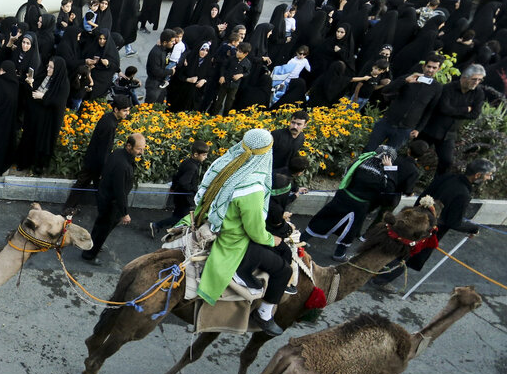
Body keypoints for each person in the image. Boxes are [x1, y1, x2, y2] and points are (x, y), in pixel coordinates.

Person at [191, 129, 292, 336]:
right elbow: (255, 232)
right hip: (233, 241)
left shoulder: (225, 161)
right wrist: (271, 239)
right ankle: (264, 313)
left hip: (207, 218)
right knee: (284, 270)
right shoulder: (253, 187)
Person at [373, 158, 495, 289]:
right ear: (477, 175)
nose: (489, 178)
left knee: (398, 246)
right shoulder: (463, 194)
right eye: (488, 175)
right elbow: (454, 222)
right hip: (427, 230)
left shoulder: (448, 177)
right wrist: (473, 228)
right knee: (408, 255)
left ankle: (374, 267)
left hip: (415, 217)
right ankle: (381, 279)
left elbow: (425, 193)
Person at [302, 146, 398, 261]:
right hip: (359, 206)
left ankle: (301, 240)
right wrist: (390, 169)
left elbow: (347, 172)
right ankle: (339, 254)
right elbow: (389, 191)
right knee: (350, 230)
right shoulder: (382, 174)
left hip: (343, 196)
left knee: (323, 219)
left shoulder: (362, 161)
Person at [81, 133, 146, 265]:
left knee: (100, 226)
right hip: (111, 204)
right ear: (129, 146)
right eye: (139, 149)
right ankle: (89, 254)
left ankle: (91, 246)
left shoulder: (117, 153)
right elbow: (119, 192)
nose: (141, 152)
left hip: (105, 198)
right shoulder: (123, 166)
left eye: (143, 149)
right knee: (103, 229)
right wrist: (124, 213)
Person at [364, 53, 444, 151]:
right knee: (368, 150)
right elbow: (386, 91)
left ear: (438, 69)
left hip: (405, 130)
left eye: (434, 68)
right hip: (387, 122)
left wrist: (418, 129)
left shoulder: (437, 88)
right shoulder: (408, 78)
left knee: (387, 157)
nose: (430, 70)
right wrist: (405, 81)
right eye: (428, 66)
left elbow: (429, 110)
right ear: (424, 66)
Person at [64, 95, 132, 210]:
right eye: (125, 110)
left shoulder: (108, 118)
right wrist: (103, 169)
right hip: (95, 163)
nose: (127, 113)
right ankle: (68, 209)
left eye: (128, 110)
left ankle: (70, 208)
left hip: (93, 159)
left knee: (86, 185)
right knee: (88, 185)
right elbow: (104, 150)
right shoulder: (110, 125)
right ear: (116, 109)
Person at [417, 64, 486, 175]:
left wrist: (454, 111)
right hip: (432, 129)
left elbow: (475, 114)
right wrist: (465, 109)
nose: (477, 82)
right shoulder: (449, 88)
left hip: (449, 134)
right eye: (474, 79)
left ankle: (435, 188)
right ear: (464, 77)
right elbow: (444, 109)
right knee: (415, 152)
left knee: (446, 162)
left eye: (479, 80)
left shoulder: (478, 93)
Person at [151, 140, 210, 237]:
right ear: (196, 154)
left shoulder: (187, 162)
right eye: (204, 155)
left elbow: (176, 175)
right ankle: (157, 225)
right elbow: (184, 182)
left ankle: (171, 231)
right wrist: (194, 190)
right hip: (184, 197)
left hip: (179, 194)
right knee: (181, 217)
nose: (205, 157)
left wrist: (173, 187)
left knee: (177, 214)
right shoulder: (193, 167)